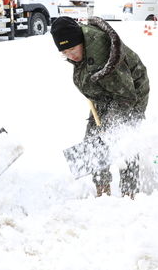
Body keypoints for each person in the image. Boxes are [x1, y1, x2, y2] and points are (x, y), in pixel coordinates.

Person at [51, 16, 150, 198]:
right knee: (94, 140)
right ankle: (102, 190)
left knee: (122, 138)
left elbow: (126, 95)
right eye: (64, 52)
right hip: (105, 93)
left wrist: (112, 125)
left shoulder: (99, 54)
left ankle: (130, 193)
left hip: (129, 93)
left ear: (81, 40)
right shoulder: (81, 46)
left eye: (72, 49)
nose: (70, 55)